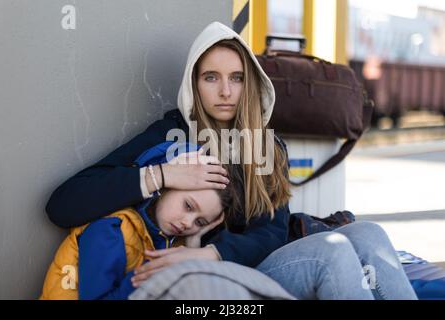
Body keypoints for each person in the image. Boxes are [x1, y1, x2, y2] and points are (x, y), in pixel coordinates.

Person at [45, 21, 417, 299]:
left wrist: (210, 253)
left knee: (369, 234)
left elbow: (272, 232)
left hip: (253, 264)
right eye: (211, 77)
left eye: (237, 78)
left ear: (250, 84)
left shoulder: (269, 146)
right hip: (222, 287)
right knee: (330, 252)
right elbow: (63, 205)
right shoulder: (172, 136)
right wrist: (161, 174)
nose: (225, 91)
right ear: (195, 83)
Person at [40, 141, 231, 300]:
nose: (188, 223)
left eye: (200, 223)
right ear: (163, 188)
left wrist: (193, 246)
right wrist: (155, 273)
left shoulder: (170, 244)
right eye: (188, 206)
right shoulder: (111, 230)